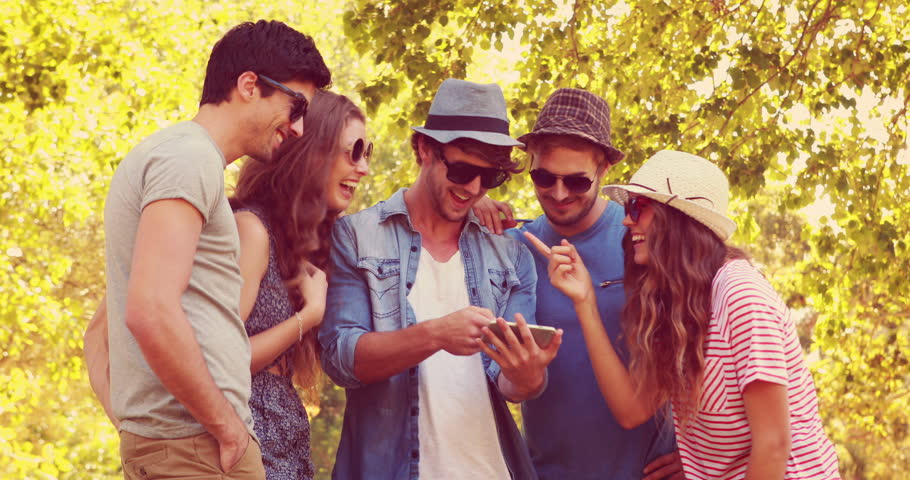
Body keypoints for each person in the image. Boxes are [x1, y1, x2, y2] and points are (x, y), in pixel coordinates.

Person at [89, 20, 330, 479]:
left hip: (185, 442)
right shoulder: (189, 159)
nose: (299, 128)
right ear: (248, 85)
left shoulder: (176, 157)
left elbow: (106, 323)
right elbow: (149, 309)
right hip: (199, 445)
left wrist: (137, 425)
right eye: (294, 106)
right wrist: (227, 427)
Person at [526, 150, 841, 479]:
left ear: (678, 218)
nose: (626, 219)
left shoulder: (741, 294)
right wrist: (585, 302)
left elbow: (773, 445)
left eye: (637, 207)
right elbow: (632, 410)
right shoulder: (674, 305)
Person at [318, 78, 562, 480]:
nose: (474, 188)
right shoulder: (356, 236)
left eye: (490, 178)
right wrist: (435, 335)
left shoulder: (510, 253)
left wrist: (527, 371)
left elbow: (516, 387)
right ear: (424, 149)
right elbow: (341, 359)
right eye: (464, 169)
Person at [475, 88, 681, 479]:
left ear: (603, 169)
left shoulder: (641, 237)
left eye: (576, 182)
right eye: (544, 177)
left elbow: (709, 352)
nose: (557, 193)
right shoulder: (512, 248)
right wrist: (471, 205)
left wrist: (702, 456)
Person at [229, 90, 370, 479]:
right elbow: (223, 361)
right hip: (244, 439)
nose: (363, 167)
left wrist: (468, 202)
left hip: (286, 438)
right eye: (353, 150)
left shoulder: (313, 242)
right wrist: (309, 316)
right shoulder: (251, 231)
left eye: (368, 151)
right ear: (312, 150)